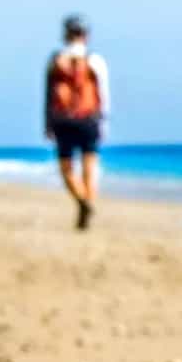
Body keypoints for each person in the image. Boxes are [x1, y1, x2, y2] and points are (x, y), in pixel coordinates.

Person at [44, 15, 110, 230]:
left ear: (66, 34)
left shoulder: (55, 60)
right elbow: (104, 94)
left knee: (66, 168)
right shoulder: (94, 60)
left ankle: (81, 201)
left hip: (62, 120)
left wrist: (47, 123)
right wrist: (104, 122)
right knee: (89, 167)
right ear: (86, 35)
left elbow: (48, 94)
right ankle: (88, 203)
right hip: (89, 119)